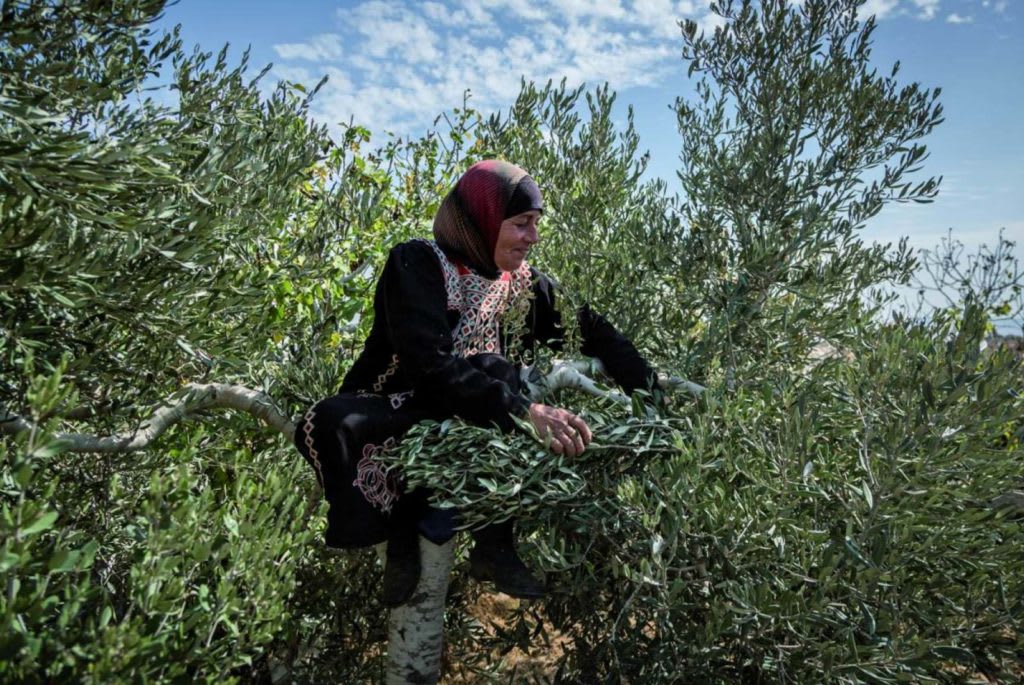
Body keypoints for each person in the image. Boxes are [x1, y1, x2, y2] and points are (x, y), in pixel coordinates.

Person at [294, 159, 656, 607]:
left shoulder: (519, 283)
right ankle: (402, 527)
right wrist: (526, 413)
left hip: (467, 410)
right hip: (396, 404)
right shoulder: (417, 262)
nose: (533, 237)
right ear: (481, 220)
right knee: (332, 421)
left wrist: (649, 389)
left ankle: (493, 542)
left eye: (536, 223)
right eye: (521, 223)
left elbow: (591, 328)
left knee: (495, 368)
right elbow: (430, 365)